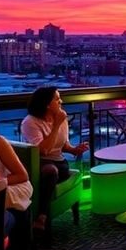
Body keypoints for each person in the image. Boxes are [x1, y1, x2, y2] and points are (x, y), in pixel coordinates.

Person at [20, 86, 88, 233]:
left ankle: (41, 215)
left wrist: (75, 149)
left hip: (60, 163)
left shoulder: (61, 117)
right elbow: (43, 150)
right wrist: (56, 124)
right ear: (47, 104)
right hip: (39, 162)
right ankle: (42, 216)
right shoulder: (30, 122)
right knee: (50, 170)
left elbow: (63, 145)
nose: (61, 101)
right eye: (57, 99)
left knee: (55, 169)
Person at [0, 135, 40, 250]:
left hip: (1, 193)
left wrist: (2, 184)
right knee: (20, 207)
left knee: (19, 201)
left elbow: (22, 176)